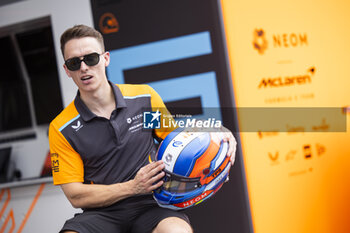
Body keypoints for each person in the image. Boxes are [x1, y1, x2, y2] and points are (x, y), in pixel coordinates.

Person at [49, 24, 237, 233]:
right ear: (67, 70)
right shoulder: (62, 128)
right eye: (74, 63)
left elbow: (178, 140)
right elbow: (75, 195)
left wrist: (219, 134)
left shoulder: (142, 99)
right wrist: (132, 187)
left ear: (105, 58)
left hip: (152, 205)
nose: (84, 67)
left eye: (91, 58)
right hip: (101, 214)